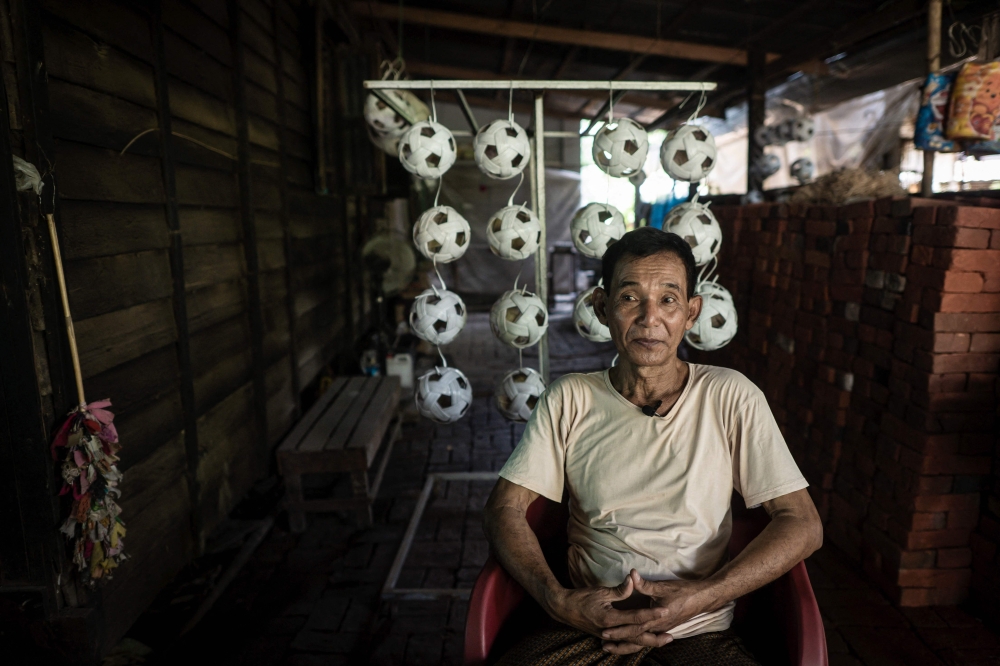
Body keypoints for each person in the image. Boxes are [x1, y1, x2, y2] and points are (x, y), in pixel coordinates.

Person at [483, 227, 823, 665]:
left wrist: (703, 596)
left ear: (691, 312)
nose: (649, 318)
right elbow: (504, 508)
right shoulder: (570, 398)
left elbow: (802, 523)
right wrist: (557, 600)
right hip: (588, 627)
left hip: (697, 632)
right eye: (630, 298)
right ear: (603, 307)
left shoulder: (730, 395)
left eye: (668, 299)